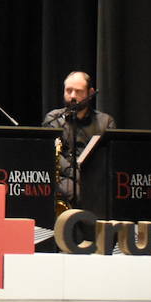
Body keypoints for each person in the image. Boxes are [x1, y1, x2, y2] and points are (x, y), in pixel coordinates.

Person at [42, 71, 116, 208]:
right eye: (68, 91)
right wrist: (75, 174)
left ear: (91, 92)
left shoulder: (105, 122)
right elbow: (52, 154)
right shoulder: (53, 119)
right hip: (64, 178)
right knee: (76, 192)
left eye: (78, 91)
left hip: (95, 178)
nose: (73, 96)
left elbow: (110, 157)